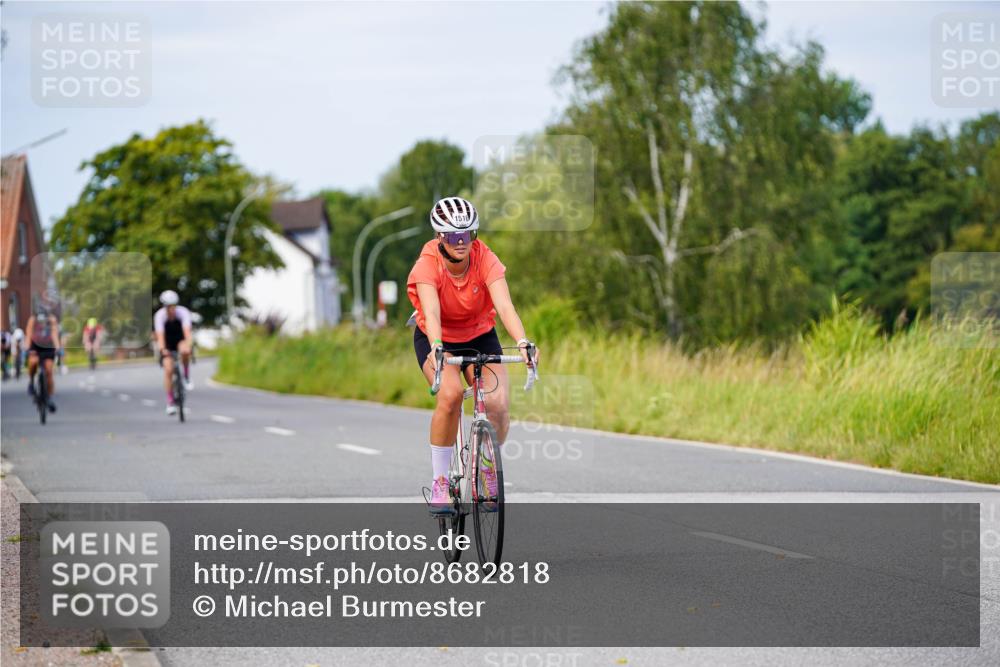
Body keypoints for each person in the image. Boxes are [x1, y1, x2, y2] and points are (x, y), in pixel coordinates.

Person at [406, 196, 539, 515]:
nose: (462, 243)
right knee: (450, 396)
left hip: (480, 334)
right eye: (454, 237)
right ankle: (440, 481)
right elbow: (432, 311)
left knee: (498, 404)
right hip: (438, 338)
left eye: (469, 235)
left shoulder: (485, 258)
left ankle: (486, 467)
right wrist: (437, 344)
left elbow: (505, 306)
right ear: (440, 238)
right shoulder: (427, 265)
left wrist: (522, 341)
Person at [153, 290, 194, 415]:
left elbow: (187, 332)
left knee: (185, 351)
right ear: (164, 306)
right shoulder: (159, 316)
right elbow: (160, 337)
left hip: (179, 338)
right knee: (168, 369)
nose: (171, 309)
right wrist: (163, 350)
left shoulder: (183, 312)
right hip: (167, 342)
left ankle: (186, 376)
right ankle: (170, 401)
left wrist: (189, 345)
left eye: (173, 306)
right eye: (168, 306)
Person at [25, 305, 61, 412]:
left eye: (43, 319)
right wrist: (27, 347)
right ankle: (31, 382)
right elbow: (29, 333)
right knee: (33, 362)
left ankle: (49, 397)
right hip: (35, 345)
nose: (42, 322)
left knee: (49, 371)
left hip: (48, 346)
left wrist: (58, 347)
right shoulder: (32, 320)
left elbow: (54, 334)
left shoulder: (52, 320)